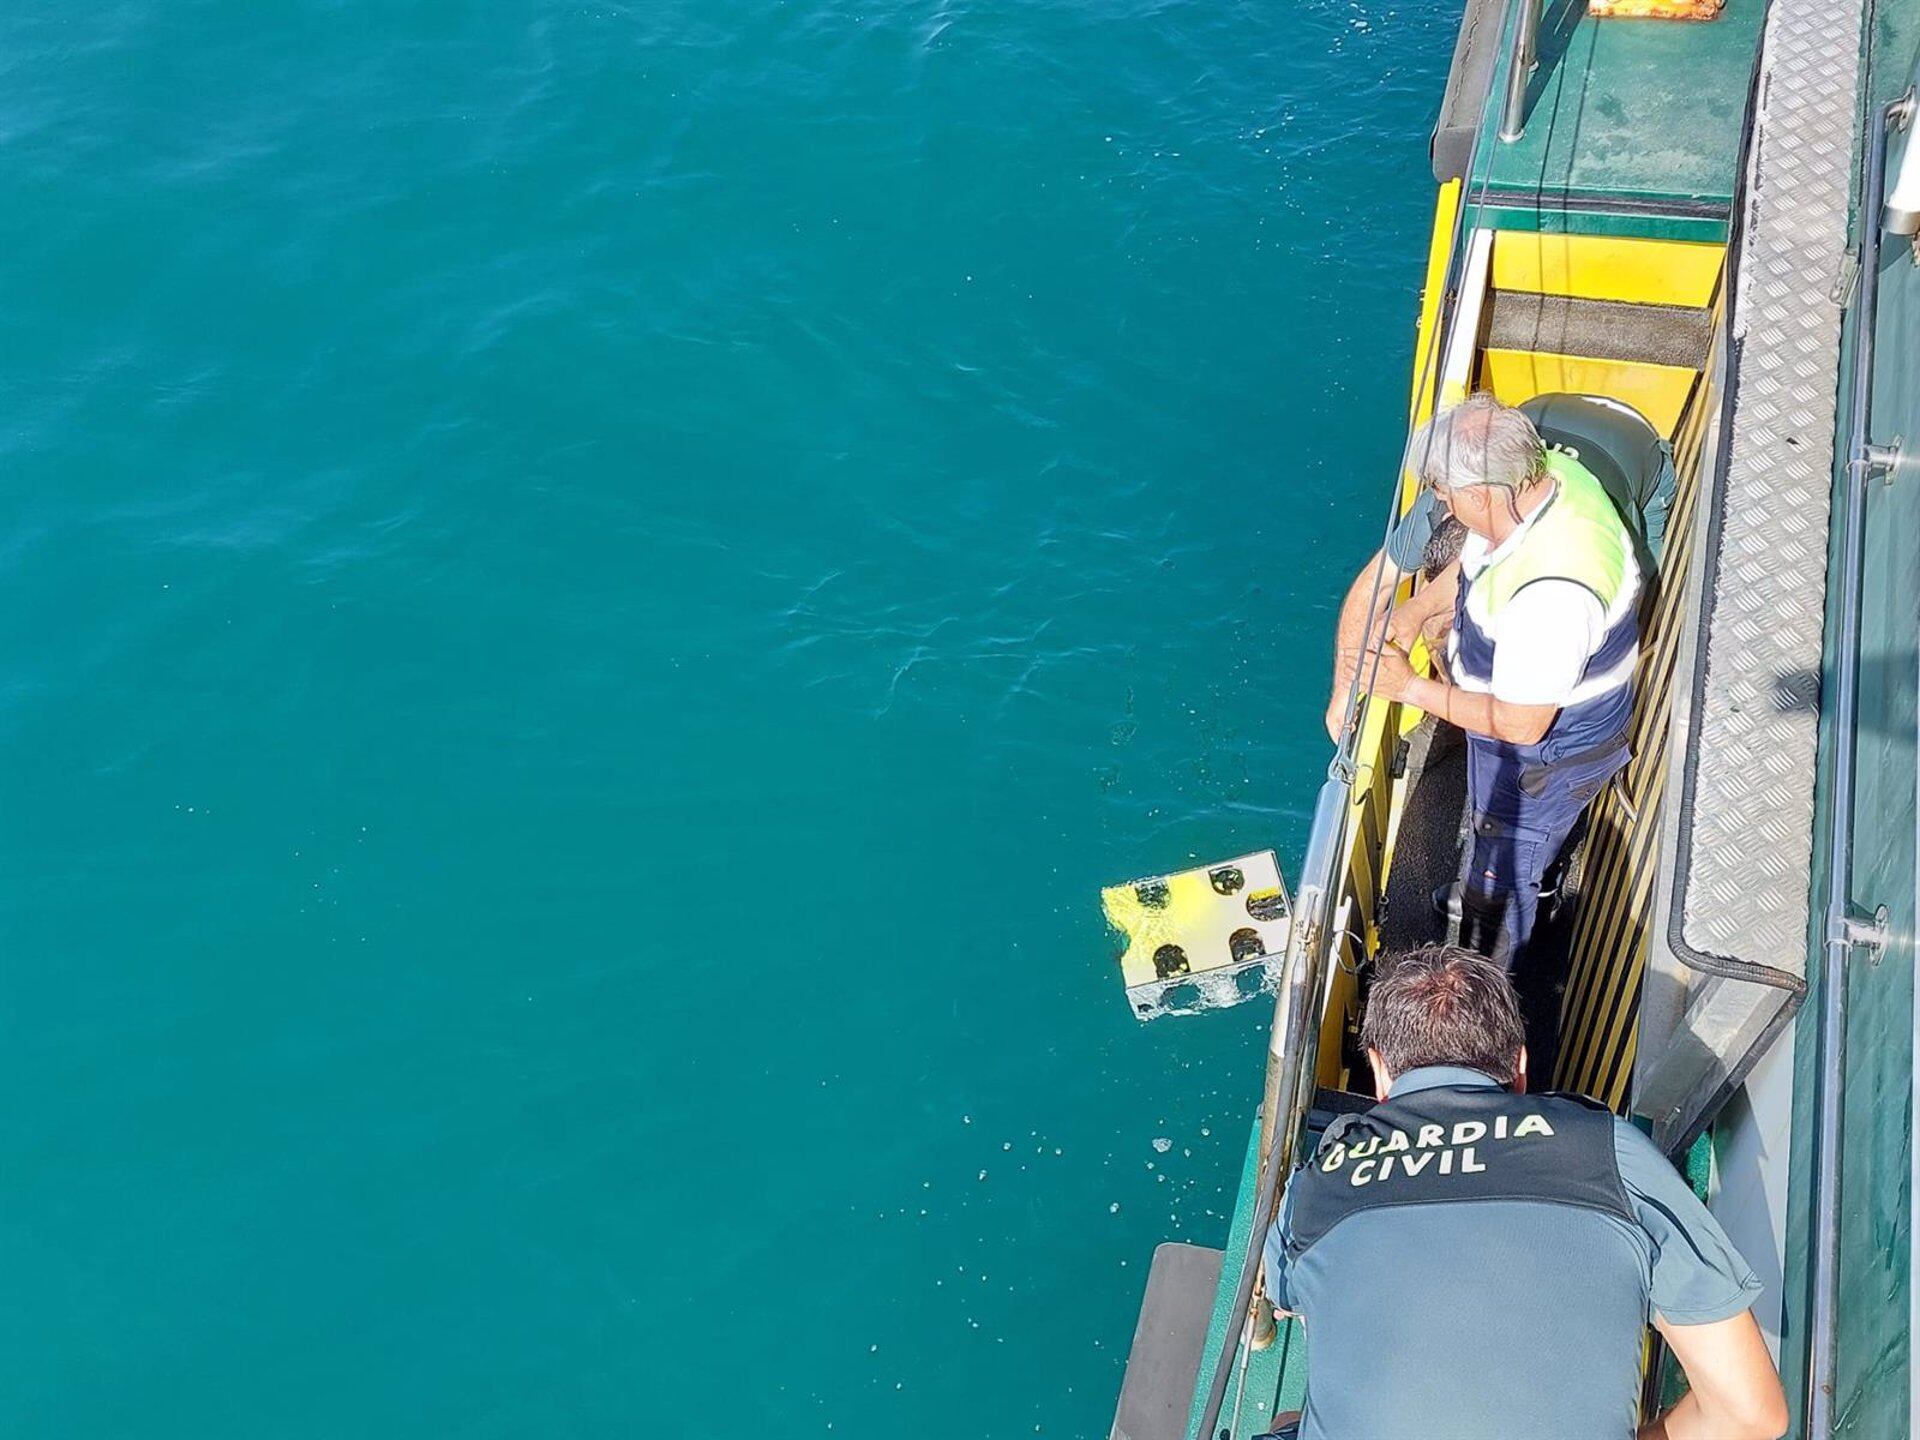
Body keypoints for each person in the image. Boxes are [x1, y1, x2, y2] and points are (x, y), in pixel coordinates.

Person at [1259, 946, 1787, 1440]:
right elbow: (1750, 1415)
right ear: (1519, 1065)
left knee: (1289, 1418)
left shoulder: (1316, 1187)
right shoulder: (1607, 1152)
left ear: (1378, 1070)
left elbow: (1285, 1297)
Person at [1325, 393, 1640, 964]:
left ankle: (1487, 971)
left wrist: (1411, 689)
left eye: (1443, 492)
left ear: (1479, 493)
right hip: (1514, 716)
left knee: (1504, 869)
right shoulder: (1545, 479)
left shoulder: (1553, 594)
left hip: (1548, 756)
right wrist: (1414, 614)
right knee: (1495, 840)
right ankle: (1513, 880)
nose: (1437, 502)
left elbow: (1522, 724)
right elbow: (1481, 558)